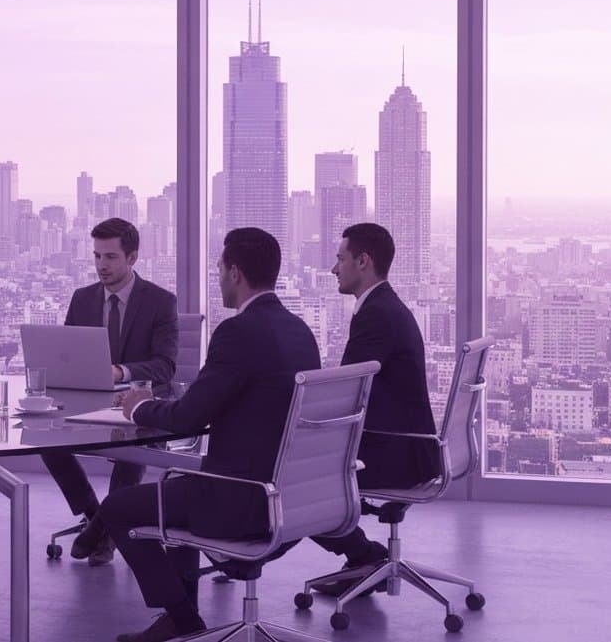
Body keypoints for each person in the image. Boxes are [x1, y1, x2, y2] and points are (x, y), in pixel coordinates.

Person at [100, 228, 321, 642]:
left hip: (240, 499)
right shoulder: (299, 330)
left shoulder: (238, 332)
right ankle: (180, 617)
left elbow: (187, 418)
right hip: (289, 496)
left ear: (235, 273)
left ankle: (183, 620)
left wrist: (139, 406)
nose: (218, 277)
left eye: (220, 269)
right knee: (180, 491)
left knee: (117, 508)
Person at [311, 222, 441, 594]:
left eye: (340, 259)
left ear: (363, 261)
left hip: (395, 452)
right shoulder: (385, 305)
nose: (334, 269)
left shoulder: (376, 315)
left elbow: (346, 392)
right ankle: (363, 558)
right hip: (409, 446)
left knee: (296, 478)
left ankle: (364, 558)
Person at [40, 218, 177, 566]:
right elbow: (67, 355)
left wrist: (121, 372)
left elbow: (165, 366)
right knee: (45, 441)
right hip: (89, 403)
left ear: (132, 258)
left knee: (130, 450)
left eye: (111, 257)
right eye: (97, 256)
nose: (102, 265)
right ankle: (96, 517)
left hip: (139, 405)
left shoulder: (160, 302)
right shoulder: (82, 299)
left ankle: (100, 529)